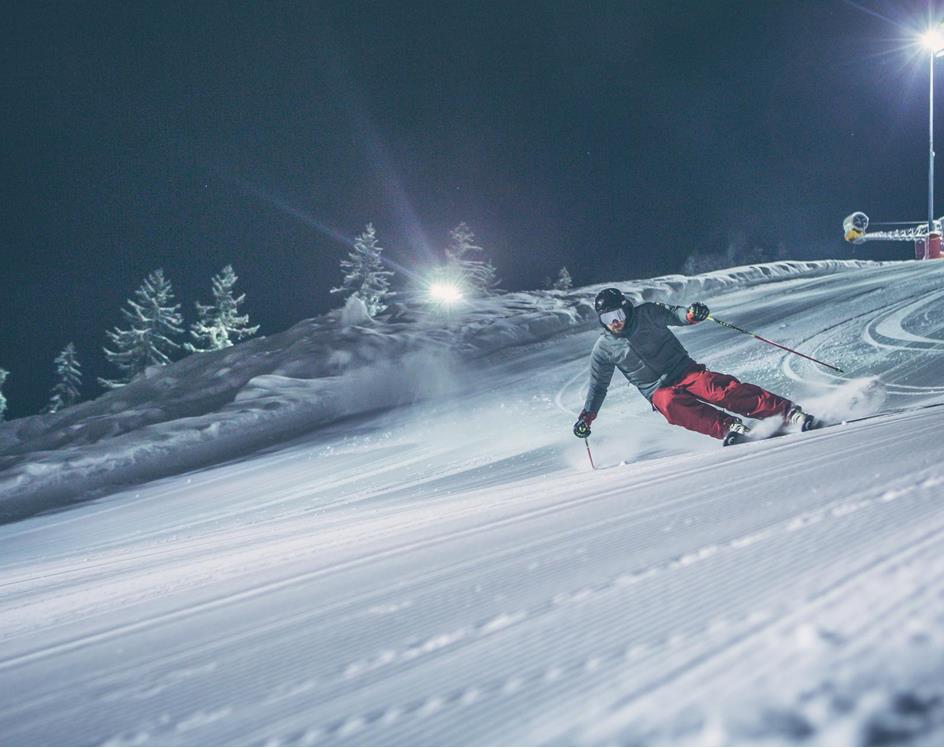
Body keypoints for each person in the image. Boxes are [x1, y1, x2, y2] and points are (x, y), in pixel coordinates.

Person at [573, 288, 819, 446]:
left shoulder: (647, 314)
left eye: (616, 314)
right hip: (656, 390)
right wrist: (587, 416)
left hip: (683, 370)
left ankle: (787, 413)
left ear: (625, 308)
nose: (614, 322)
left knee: (718, 391)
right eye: (607, 319)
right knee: (670, 404)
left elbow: (675, 314)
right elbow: (598, 386)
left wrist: (692, 314)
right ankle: (728, 427)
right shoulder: (603, 348)